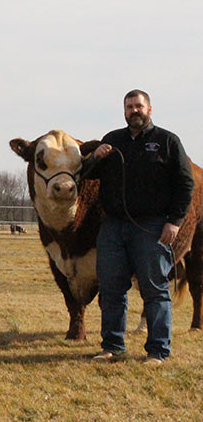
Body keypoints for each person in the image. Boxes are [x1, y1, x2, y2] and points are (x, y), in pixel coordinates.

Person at [89, 89, 194, 365]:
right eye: (129, 107)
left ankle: (158, 351)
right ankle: (113, 346)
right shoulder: (112, 140)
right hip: (113, 227)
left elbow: (185, 184)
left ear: (149, 110)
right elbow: (86, 176)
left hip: (152, 226)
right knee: (111, 288)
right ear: (124, 111)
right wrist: (95, 158)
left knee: (154, 288)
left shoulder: (167, 141)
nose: (134, 111)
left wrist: (175, 221)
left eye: (138, 106)